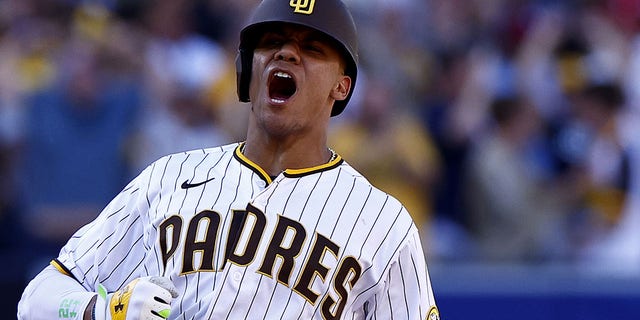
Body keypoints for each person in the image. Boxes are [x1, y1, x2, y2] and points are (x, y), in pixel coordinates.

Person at [17, 0, 439, 319]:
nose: (287, 55)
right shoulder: (168, 178)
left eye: (312, 49)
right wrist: (104, 309)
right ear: (244, 69)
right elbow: (38, 298)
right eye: (272, 42)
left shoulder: (384, 223)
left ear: (341, 87)